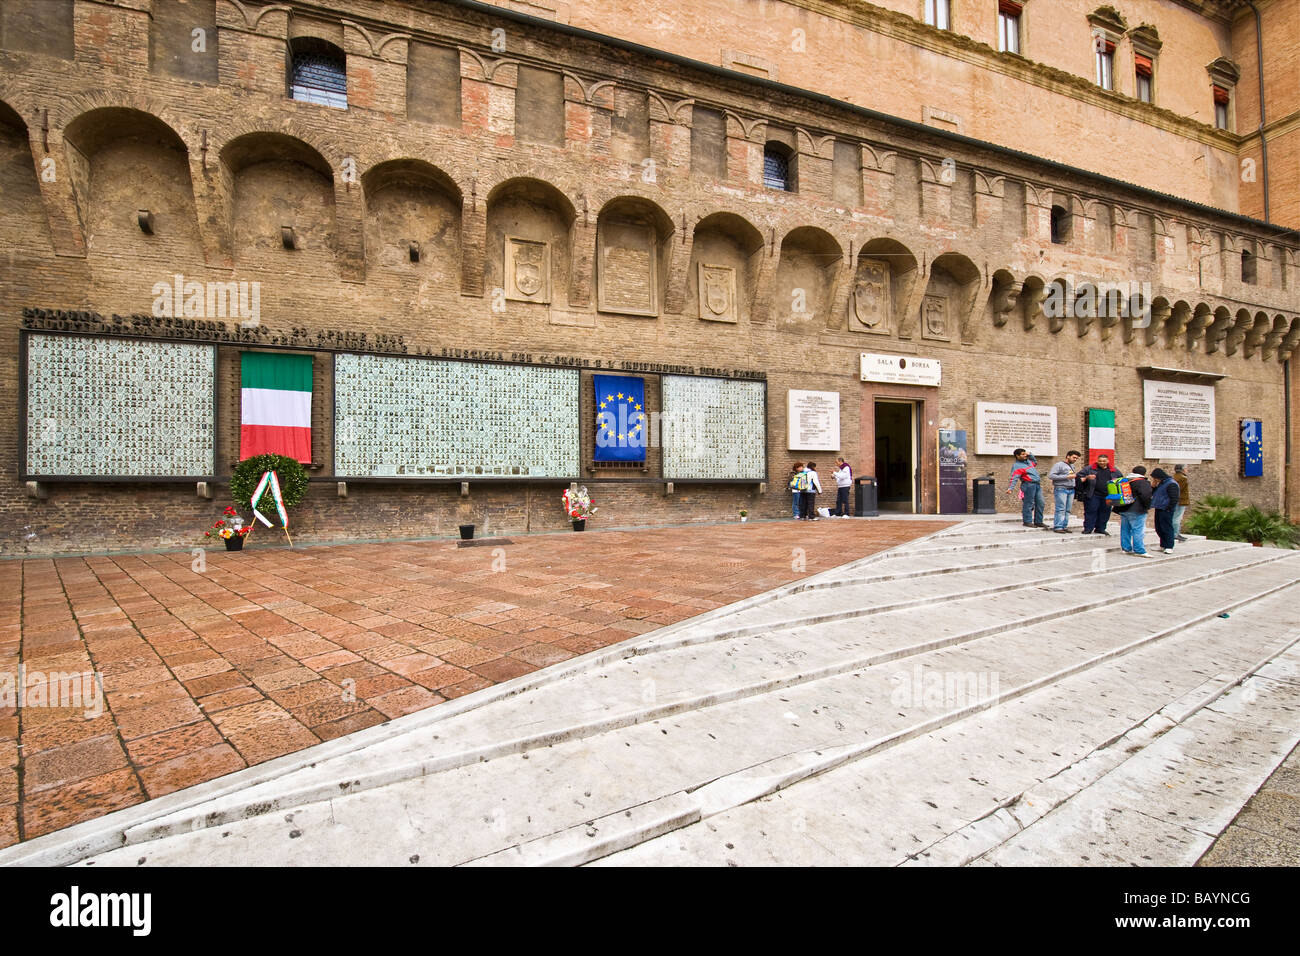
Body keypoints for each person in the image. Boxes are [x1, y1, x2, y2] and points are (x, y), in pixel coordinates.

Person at [1113, 464, 1154, 557]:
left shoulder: (1126, 480)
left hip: (1123, 508)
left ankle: (1126, 548)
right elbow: (1146, 496)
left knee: (1125, 529)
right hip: (1137, 510)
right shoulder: (1142, 482)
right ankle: (1139, 550)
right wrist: (1147, 506)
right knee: (1138, 530)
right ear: (1144, 473)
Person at [1076, 453, 1119, 535]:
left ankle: (1101, 528)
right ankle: (1088, 528)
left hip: (1107, 495)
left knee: (1105, 512)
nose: (1102, 462)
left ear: (1108, 461)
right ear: (1097, 461)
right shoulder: (1089, 469)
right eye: (1100, 461)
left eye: (1104, 461)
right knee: (1091, 511)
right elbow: (1078, 477)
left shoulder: (1114, 470)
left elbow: (1120, 479)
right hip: (1093, 494)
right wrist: (1087, 477)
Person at [1005, 448, 1046, 528]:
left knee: (1041, 503)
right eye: (1022, 454)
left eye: (1025, 454)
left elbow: (1035, 462)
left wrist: (1030, 454)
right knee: (1029, 503)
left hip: (1037, 484)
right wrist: (1010, 488)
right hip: (1028, 485)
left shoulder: (1029, 462)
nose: (1025, 455)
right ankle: (1027, 521)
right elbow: (1014, 477)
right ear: (1017, 456)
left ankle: (1038, 521)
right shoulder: (1016, 466)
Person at [1048, 450, 1081, 533]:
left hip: (1071, 489)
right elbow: (1051, 476)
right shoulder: (1059, 465)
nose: (1075, 459)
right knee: (1061, 508)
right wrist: (1067, 476)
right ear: (1068, 456)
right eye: (1074, 457)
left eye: (1076, 458)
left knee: (1068, 509)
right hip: (1061, 489)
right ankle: (1058, 526)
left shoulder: (1072, 466)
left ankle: (1064, 526)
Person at [1150, 468, 1180, 553]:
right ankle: (1163, 545)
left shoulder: (1171, 484)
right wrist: (1153, 487)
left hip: (1166, 509)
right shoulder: (1161, 483)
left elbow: (1174, 498)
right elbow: (1154, 494)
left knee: (1166, 527)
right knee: (1159, 528)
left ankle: (1169, 546)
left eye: (1155, 478)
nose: (1154, 480)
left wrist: (1168, 508)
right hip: (1159, 507)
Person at [1172, 464, 1190, 542]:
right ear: (1182, 470)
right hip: (1180, 501)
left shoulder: (1174, 477)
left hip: (1175, 500)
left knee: (1175, 517)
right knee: (1177, 518)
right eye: (1186, 468)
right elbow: (1179, 490)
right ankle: (1175, 534)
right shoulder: (1183, 478)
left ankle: (1175, 533)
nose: (1187, 470)